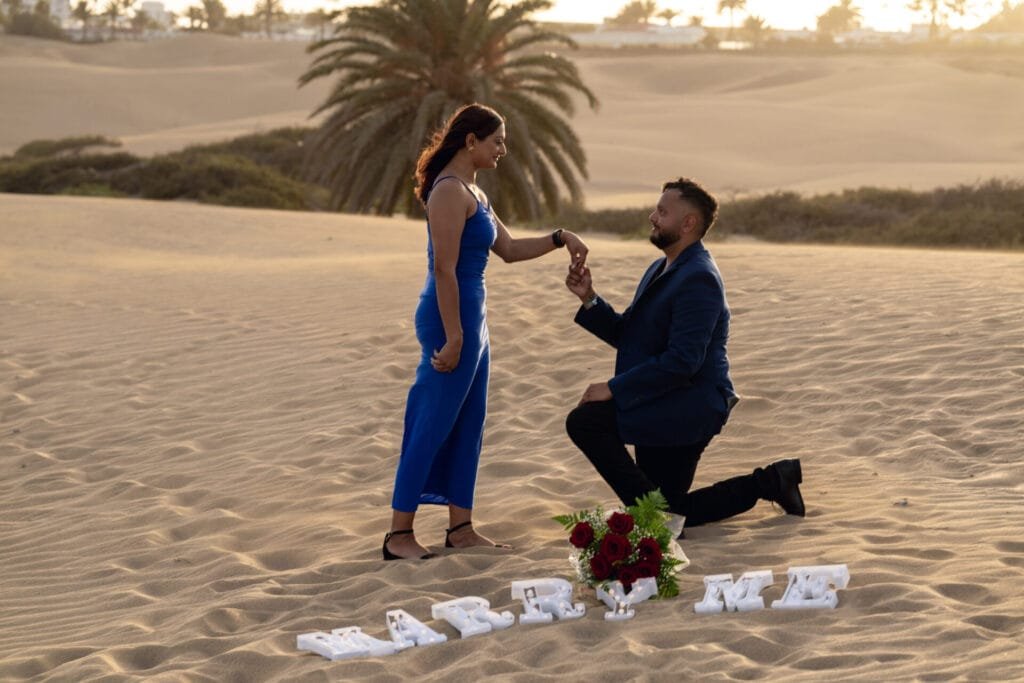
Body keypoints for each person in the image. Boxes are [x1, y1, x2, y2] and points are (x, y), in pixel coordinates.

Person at [384, 103, 589, 561]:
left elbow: (511, 249)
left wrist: (560, 238)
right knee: (430, 421)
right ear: (470, 140)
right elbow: (444, 270)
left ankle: (460, 527)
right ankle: (398, 535)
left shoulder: (475, 193)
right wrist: (454, 336)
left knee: (468, 423)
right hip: (448, 317)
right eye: (497, 141)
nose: (504, 150)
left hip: (473, 318)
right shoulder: (448, 193)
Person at [564, 177, 804, 535]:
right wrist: (589, 298)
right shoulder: (662, 268)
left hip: (689, 404)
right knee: (672, 506)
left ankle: (657, 521)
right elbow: (631, 336)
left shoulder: (699, 278)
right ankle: (771, 481)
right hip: (661, 398)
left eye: (663, 211)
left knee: (585, 421)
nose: (652, 217)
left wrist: (614, 387)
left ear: (688, 223)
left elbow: (683, 361)